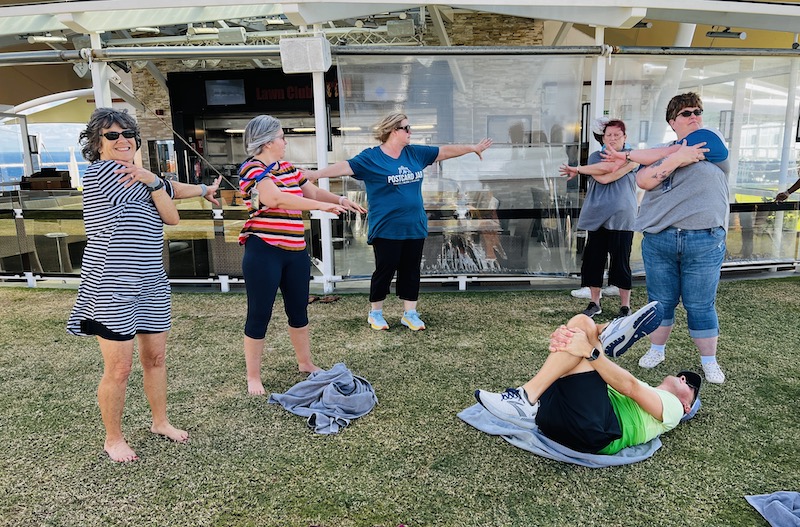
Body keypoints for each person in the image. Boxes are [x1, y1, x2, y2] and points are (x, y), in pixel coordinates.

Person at [67, 107, 220, 462]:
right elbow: (171, 214)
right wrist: (154, 183)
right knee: (119, 368)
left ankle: (160, 422)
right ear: (97, 144)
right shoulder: (102, 174)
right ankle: (113, 439)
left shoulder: (139, 175)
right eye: (111, 135)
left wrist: (202, 189)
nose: (122, 140)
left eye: (127, 134)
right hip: (111, 284)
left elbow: (170, 188)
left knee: (156, 357)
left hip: (151, 280)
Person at [307, 112, 493, 331]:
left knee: (411, 270)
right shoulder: (371, 158)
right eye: (407, 128)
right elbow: (345, 167)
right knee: (385, 270)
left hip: (414, 225)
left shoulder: (414, 154)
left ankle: (410, 313)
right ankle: (375, 313)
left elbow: (445, 151)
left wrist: (472, 148)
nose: (410, 132)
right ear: (393, 131)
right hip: (386, 227)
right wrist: (315, 175)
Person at [604, 92, 729, 384]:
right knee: (661, 301)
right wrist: (675, 159)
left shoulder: (711, 139)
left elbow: (651, 162)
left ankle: (709, 362)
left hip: (705, 238)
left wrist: (654, 156)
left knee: (701, 304)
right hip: (660, 238)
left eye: (698, 111)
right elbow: (643, 179)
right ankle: (656, 350)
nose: (695, 116)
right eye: (686, 113)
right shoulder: (669, 149)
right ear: (673, 121)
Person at [238, 115, 367, 396]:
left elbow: (311, 190)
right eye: (283, 137)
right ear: (269, 141)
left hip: (295, 251)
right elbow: (276, 199)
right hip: (264, 250)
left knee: (298, 310)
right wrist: (319, 207)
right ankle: (253, 377)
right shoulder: (252, 169)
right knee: (259, 313)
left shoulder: (287, 168)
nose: (286, 142)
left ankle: (305, 363)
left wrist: (340, 200)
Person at [475, 301, 702, 455]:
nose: (683, 378)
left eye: (690, 384)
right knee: (582, 324)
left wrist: (591, 351)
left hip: (594, 431)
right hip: (557, 417)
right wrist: (573, 342)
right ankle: (608, 330)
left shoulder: (674, 409)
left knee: (582, 341)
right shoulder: (650, 394)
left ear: (688, 407)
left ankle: (526, 398)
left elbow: (630, 387)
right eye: (684, 376)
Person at [559, 118, 639, 319]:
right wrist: (625, 166)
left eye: (616, 135)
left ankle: (625, 306)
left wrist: (578, 169)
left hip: (622, 217)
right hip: (597, 216)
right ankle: (594, 303)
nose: (612, 139)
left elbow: (610, 172)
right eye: (608, 135)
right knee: (594, 259)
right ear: (603, 138)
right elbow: (604, 173)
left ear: (624, 137)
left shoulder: (634, 156)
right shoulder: (596, 156)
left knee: (621, 261)